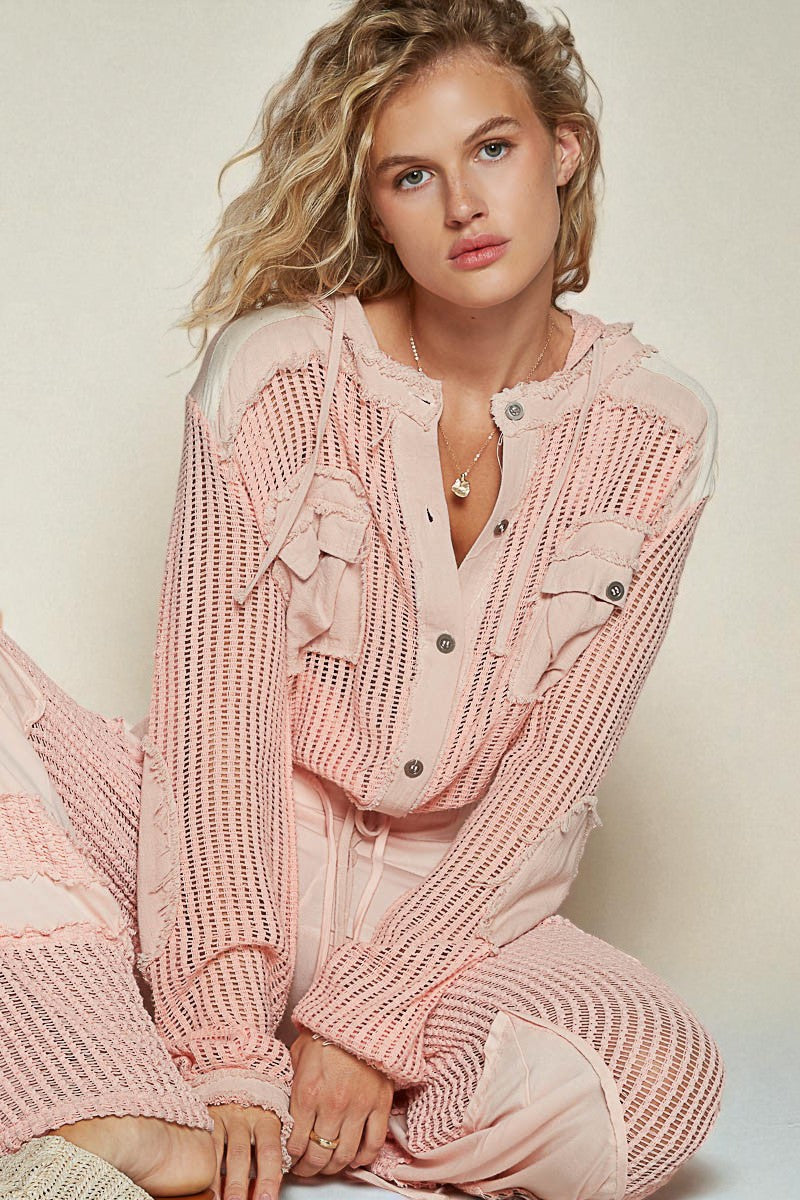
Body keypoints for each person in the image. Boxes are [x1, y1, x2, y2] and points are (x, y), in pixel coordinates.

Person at [0, 2, 725, 1199]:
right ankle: (144, 1105)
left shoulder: (659, 433)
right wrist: (232, 1040)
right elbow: (216, 724)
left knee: (651, 1082)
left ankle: (170, 1100)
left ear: (564, 149)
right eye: (409, 173)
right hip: (199, 853)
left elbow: (550, 781)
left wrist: (374, 1012)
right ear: (373, 203)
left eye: (491, 149)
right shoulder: (276, 377)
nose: (462, 205)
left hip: (452, 926)